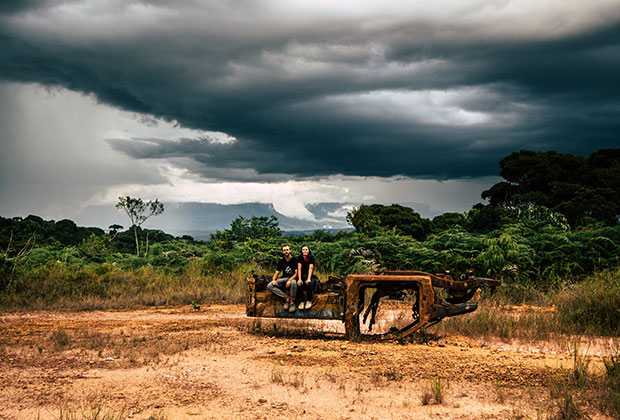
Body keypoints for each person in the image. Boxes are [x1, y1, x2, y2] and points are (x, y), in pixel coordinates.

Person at [267, 244, 297, 313]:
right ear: (282, 252)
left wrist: (289, 280)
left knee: (293, 283)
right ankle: (286, 298)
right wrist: (274, 280)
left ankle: (292, 302)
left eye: (287, 250)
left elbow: (296, 273)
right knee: (270, 285)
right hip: (284, 279)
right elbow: (277, 272)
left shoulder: (295, 260)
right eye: (284, 250)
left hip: (292, 278)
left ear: (290, 250)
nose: (286, 251)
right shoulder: (281, 261)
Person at [296, 245, 317, 310]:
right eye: (303, 250)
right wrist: (299, 279)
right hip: (302, 275)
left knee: (309, 284)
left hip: (310, 275)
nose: (305, 251)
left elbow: (310, 268)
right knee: (299, 284)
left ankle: (309, 301)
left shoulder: (311, 258)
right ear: (301, 251)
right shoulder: (300, 257)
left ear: (308, 251)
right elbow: (299, 268)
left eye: (306, 250)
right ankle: (301, 301)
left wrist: (308, 279)